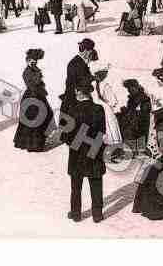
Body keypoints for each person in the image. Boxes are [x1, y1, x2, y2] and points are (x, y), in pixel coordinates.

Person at [66, 80, 107, 223]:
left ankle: (76, 213)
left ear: (78, 92)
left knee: (76, 185)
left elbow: (66, 136)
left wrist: (75, 142)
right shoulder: (99, 109)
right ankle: (97, 214)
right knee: (96, 183)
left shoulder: (72, 110)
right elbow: (102, 132)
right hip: (94, 149)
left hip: (77, 152)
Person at [13, 49, 55, 152]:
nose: (34, 62)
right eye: (32, 60)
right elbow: (32, 85)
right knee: (34, 120)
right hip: (32, 98)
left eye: (35, 60)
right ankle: (33, 145)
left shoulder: (35, 69)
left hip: (38, 96)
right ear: (27, 61)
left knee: (46, 115)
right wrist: (38, 77)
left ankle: (40, 141)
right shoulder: (26, 72)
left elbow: (38, 82)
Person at [59, 38, 98, 144]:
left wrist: (92, 77)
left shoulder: (79, 61)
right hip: (74, 95)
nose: (90, 53)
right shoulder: (75, 63)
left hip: (77, 93)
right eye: (90, 51)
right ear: (85, 50)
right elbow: (79, 80)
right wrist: (92, 79)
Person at [116, 79, 152, 157]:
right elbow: (131, 110)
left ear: (136, 87)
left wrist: (128, 112)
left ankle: (133, 151)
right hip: (133, 121)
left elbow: (144, 112)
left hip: (140, 123)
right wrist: (125, 111)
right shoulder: (132, 98)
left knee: (127, 129)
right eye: (128, 89)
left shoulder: (143, 98)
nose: (129, 90)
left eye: (130, 88)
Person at [91, 66, 122, 148]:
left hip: (95, 109)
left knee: (101, 129)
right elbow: (113, 101)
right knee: (111, 128)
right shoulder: (105, 85)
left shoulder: (92, 85)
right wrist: (110, 105)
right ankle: (115, 148)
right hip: (105, 109)